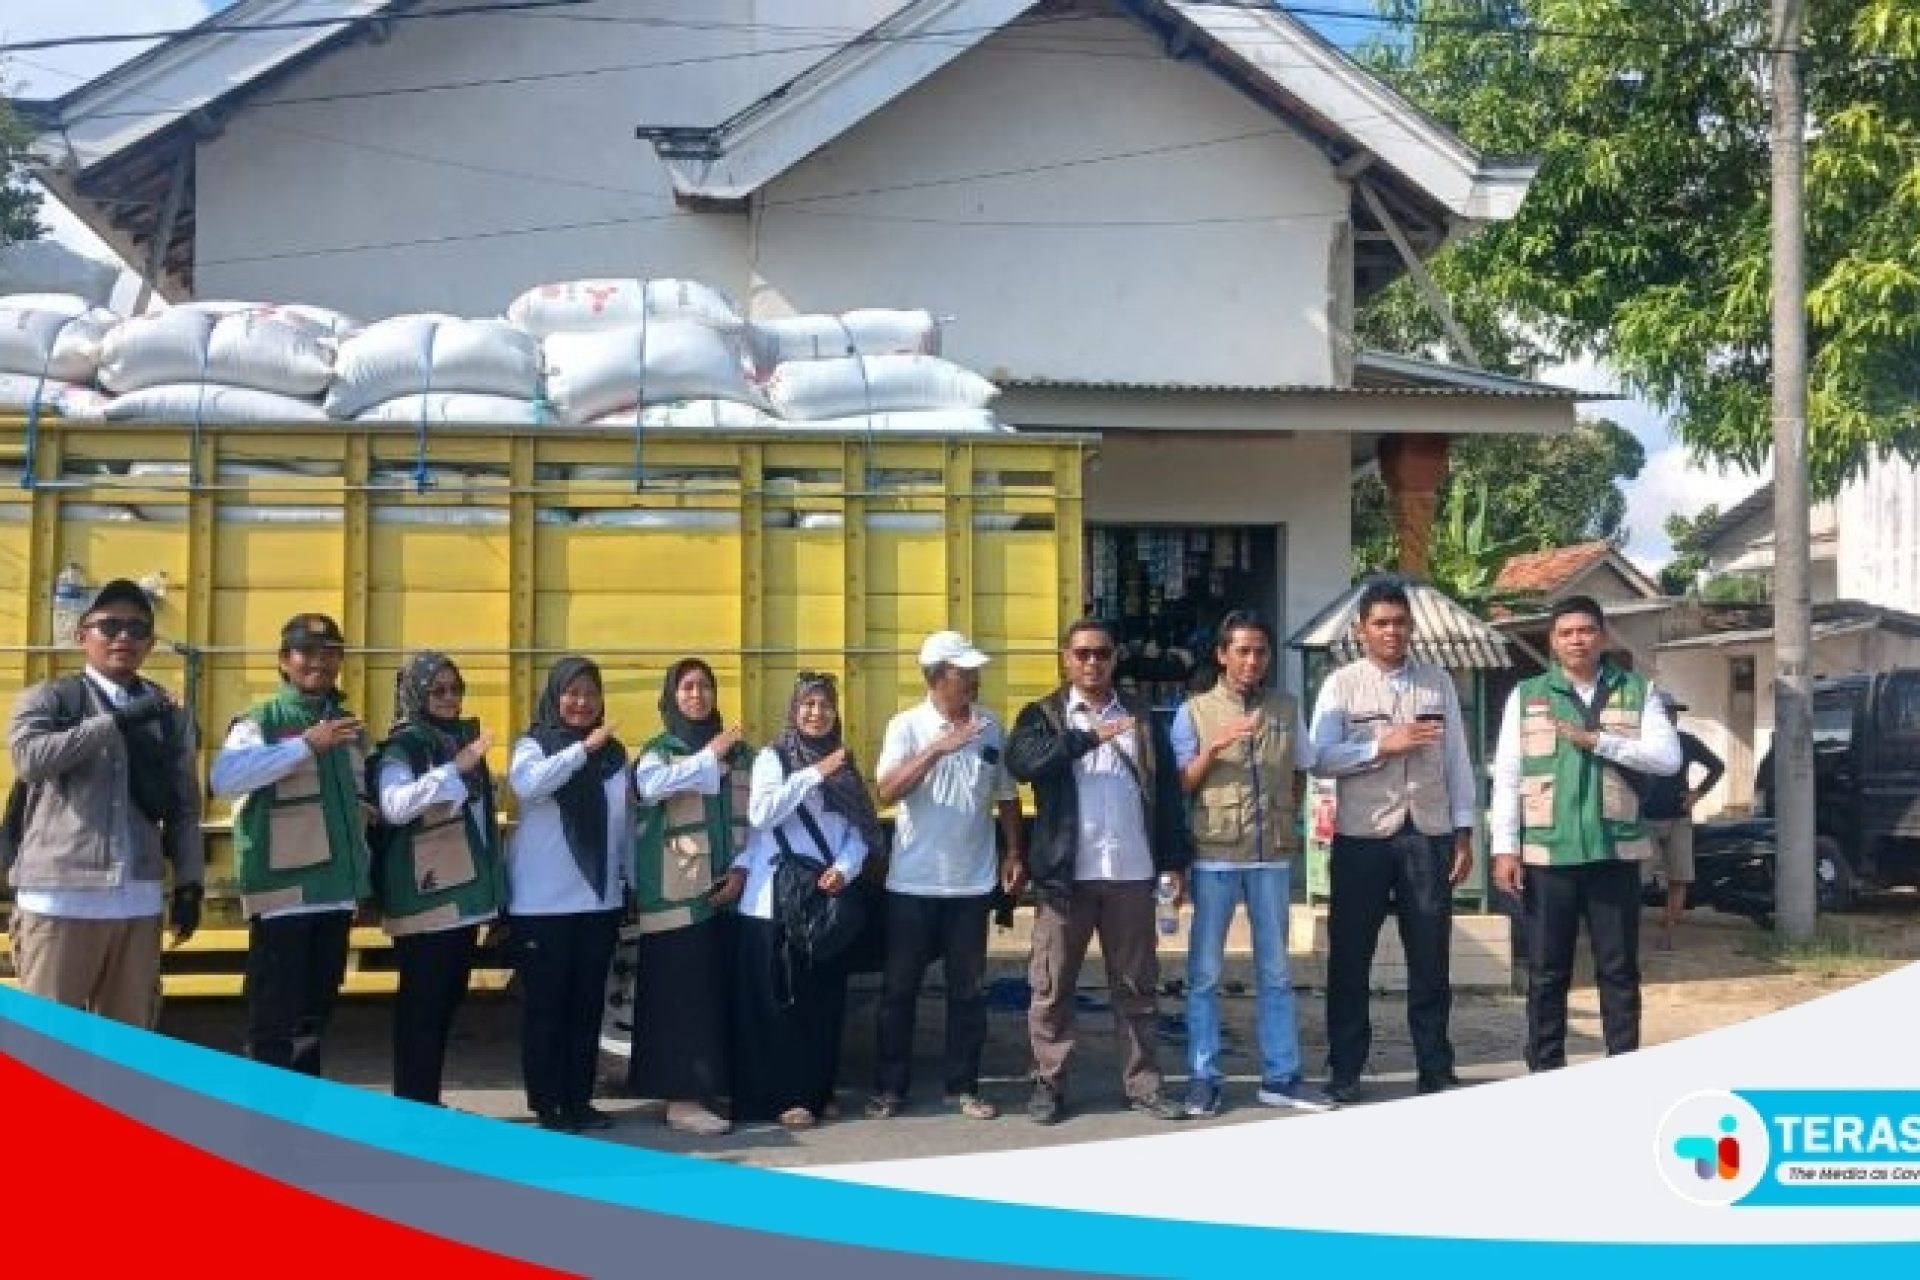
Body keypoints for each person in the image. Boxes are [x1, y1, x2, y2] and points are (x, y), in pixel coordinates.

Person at [1007, 618, 1191, 1125]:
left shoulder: (1142, 716)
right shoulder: (1043, 714)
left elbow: (1170, 795)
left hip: (1131, 871)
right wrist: (1084, 739)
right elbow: (1023, 763)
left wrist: (1174, 862)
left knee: (1136, 986)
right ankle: (1049, 1083)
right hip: (1066, 876)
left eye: (1102, 654)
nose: (1093, 662)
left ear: (1115, 659)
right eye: (1083, 653)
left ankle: (1144, 1083)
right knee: (1053, 986)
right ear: (1066, 657)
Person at [1490, 595, 1681, 1071]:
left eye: (1586, 631)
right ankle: (1546, 1066)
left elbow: (1667, 758)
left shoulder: (1639, 691)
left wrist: (1600, 741)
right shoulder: (1527, 695)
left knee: (1617, 970)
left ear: (1602, 635)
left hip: (1613, 851)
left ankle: (1622, 1065)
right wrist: (1504, 849)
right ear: (1553, 642)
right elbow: (1509, 777)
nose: (1577, 639)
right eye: (1566, 633)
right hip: (1547, 854)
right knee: (1546, 971)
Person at [1309, 580, 1480, 1103]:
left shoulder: (1438, 684)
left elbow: (1457, 759)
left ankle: (1435, 1067)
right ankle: (1345, 1069)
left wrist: (1464, 829)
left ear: (1411, 627)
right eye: (1380, 622)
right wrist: (1381, 744)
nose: (1391, 631)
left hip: (1426, 833)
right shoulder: (1342, 685)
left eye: (1400, 622)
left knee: (1430, 957)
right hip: (1363, 835)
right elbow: (1319, 757)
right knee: (1350, 959)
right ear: (1362, 630)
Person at [5, 579, 202, 1026]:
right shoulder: (51, 698)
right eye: (109, 626)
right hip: (59, 901)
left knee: (127, 1051)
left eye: (137, 629)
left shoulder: (168, 715)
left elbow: (184, 805)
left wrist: (189, 883)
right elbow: (30, 758)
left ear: (151, 642)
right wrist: (110, 723)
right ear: (82, 636)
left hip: (138, 902)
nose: (124, 638)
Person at [1170, 610, 1329, 1117]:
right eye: (1242, 650)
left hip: (1271, 858)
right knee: (1205, 974)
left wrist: (1286, 823)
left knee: (1277, 973)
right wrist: (1216, 746)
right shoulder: (1194, 711)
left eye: (1260, 651)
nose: (1252, 660)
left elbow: (1301, 771)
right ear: (1222, 655)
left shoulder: (1286, 708)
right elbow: (1180, 784)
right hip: (1215, 854)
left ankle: (1280, 1077)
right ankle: (1203, 1076)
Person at [866, 630, 1025, 1122]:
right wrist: (937, 749)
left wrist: (1014, 850)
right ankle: (890, 1089)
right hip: (913, 883)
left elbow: (1006, 794)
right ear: (937, 678)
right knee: (899, 991)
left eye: (975, 672)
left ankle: (964, 1087)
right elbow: (887, 791)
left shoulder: (992, 726)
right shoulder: (906, 726)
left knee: (968, 992)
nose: (975, 680)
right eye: (965, 673)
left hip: (971, 885)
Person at [210, 613, 371, 1076]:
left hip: (335, 894)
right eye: (307, 653)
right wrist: (303, 747)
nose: (319, 662)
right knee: (273, 1024)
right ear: (284, 662)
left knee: (313, 1023)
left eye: (330, 653)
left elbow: (358, 799)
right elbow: (225, 777)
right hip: (284, 898)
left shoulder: (348, 724)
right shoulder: (261, 720)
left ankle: (300, 1128)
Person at [731, 673, 873, 1130]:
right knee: (777, 1002)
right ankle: (778, 1096)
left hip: (825, 897)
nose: (817, 713)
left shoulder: (844, 766)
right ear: (794, 710)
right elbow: (763, 812)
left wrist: (846, 868)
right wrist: (814, 773)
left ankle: (816, 1091)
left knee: (822, 1000)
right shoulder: (774, 758)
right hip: (774, 899)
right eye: (808, 705)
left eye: (825, 706)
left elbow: (860, 831)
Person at [371, 652, 504, 1106]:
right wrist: (456, 769)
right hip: (425, 898)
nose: (450, 698)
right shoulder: (404, 746)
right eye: (438, 690)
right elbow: (394, 805)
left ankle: (426, 1101)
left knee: (444, 1007)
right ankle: (413, 1107)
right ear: (415, 694)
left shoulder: (454, 740)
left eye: (456, 689)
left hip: (462, 897)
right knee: (422, 1011)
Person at [629, 658, 752, 1137]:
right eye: (687, 687)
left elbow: (756, 817)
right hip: (677, 892)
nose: (697, 695)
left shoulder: (741, 754)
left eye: (705, 686)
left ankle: (711, 1089)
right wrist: (708, 758)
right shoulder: (659, 752)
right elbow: (650, 786)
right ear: (671, 696)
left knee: (716, 994)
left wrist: (743, 868)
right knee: (681, 997)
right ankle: (680, 1099)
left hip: (730, 889)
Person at [505, 656, 629, 1133]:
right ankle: (548, 1103)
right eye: (572, 693)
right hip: (542, 904)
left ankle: (580, 1099)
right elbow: (528, 786)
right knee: (546, 1009)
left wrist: (628, 881)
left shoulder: (615, 757)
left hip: (597, 900)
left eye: (590, 694)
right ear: (555, 697)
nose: (581, 703)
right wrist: (583, 750)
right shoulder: (534, 745)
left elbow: (623, 824)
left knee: (586, 1008)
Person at [1639, 693, 1725, 951]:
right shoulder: (1637, 743)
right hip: (1644, 820)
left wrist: (1697, 794)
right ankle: (1628, 931)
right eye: (1665, 713)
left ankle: (1667, 932)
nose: (1671, 718)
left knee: (1679, 878)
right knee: (1636, 879)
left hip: (1678, 819)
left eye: (1673, 713)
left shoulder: (1685, 742)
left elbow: (1717, 766)